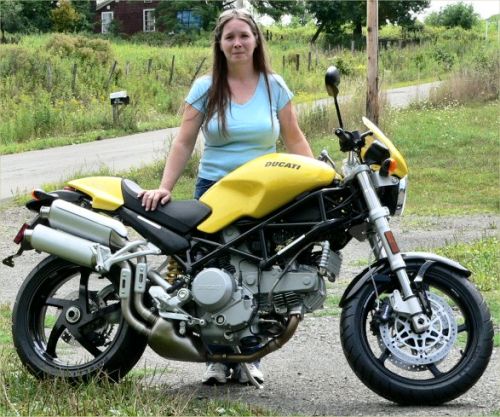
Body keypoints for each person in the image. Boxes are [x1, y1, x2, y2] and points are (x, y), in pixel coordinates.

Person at [138, 8, 314, 385]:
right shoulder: (205, 87)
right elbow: (184, 141)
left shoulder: (274, 85)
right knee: (206, 273)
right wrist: (165, 187)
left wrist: (318, 177)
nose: (237, 43)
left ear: (256, 40)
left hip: (265, 196)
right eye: (229, 37)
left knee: (258, 278)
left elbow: (294, 137)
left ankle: (250, 353)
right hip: (214, 193)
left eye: (244, 35)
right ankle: (215, 359)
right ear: (219, 44)